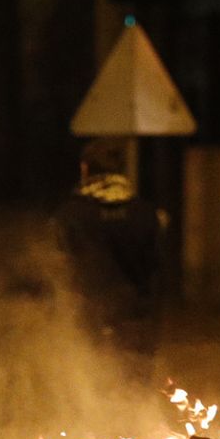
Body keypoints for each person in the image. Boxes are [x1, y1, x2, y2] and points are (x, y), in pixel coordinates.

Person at [54, 138, 164, 356]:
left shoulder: (70, 215)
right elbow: (155, 268)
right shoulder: (144, 213)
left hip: (87, 322)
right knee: (134, 386)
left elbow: (60, 270)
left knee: (90, 385)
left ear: (85, 169)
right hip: (136, 321)